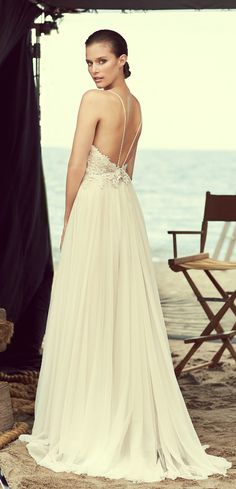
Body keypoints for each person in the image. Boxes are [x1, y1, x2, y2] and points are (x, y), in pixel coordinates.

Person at [19, 29, 231, 483]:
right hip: (123, 210)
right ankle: (119, 413)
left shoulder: (92, 102)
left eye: (101, 61)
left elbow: (76, 164)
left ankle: (89, 420)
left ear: (122, 59)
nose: (94, 70)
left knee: (89, 309)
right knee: (119, 311)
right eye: (89, 64)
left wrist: (69, 221)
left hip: (96, 208)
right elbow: (128, 170)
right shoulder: (136, 108)